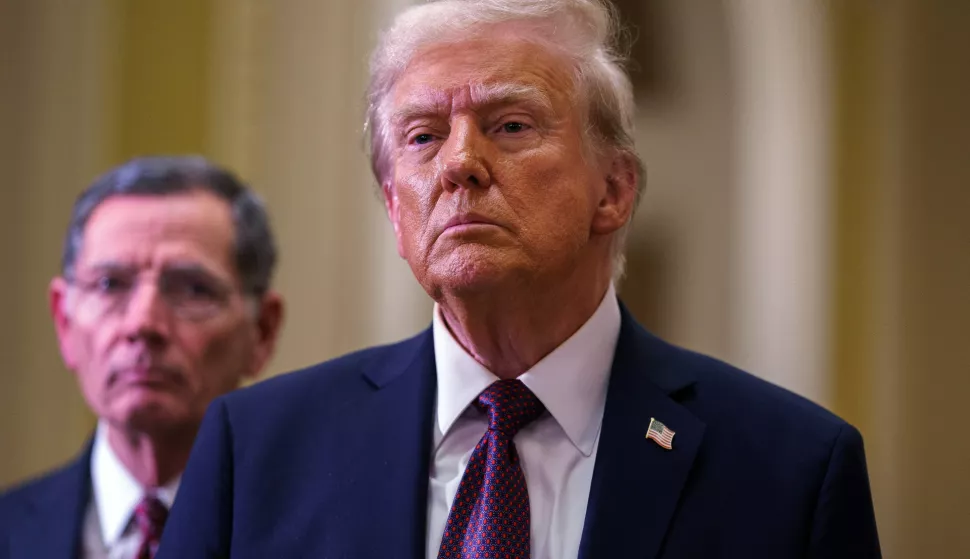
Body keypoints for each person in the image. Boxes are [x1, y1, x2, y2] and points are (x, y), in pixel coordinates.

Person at [157, 1, 880, 557]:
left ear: (614, 190)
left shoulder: (792, 472)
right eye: (422, 136)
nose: (459, 163)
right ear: (392, 208)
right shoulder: (253, 453)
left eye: (510, 125)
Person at [0, 156, 285, 559]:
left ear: (262, 331)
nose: (142, 323)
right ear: (64, 320)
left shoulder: (324, 533)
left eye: (192, 290)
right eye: (109, 284)